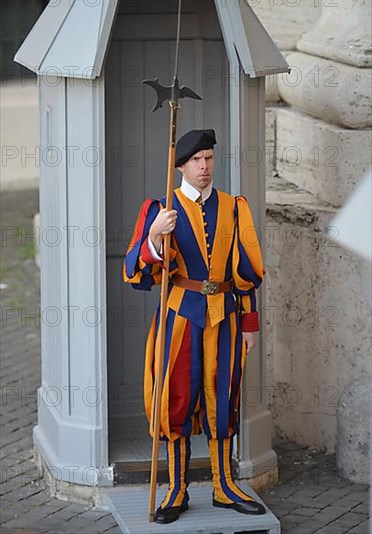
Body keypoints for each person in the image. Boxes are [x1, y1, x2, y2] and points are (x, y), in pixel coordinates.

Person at [123, 128, 266, 524]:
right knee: (177, 400)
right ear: (181, 166)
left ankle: (224, 486)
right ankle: (178, 488)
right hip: (180, 315)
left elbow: (246, 274)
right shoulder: (158, 210)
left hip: (225, 315)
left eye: (208, 159)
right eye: (196, 161)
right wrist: (154, 237)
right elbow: (134, 273)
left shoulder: (235, 207)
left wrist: (250, 322)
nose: (204, 167)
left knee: (223, 397)